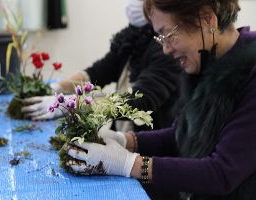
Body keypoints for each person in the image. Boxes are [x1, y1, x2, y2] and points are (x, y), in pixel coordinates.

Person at [65, 0, 256, 199]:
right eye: (160, 38)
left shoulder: (250, 73)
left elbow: (222, 172)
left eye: (169, 35)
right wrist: (125, 141)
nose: (165, 49)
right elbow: (180, 135)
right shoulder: (206, 63)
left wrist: (130, 164)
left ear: (207, 19)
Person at [21, 0, 181, 132]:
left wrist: (76, 103)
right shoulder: (132, 37)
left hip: (151, 142)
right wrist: (57, 88)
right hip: (123, 132)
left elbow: (141, 101)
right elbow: (99, 71)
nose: (132, 4)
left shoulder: (166, 48)